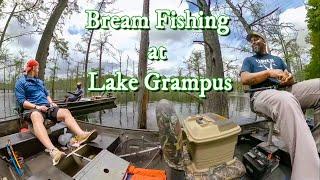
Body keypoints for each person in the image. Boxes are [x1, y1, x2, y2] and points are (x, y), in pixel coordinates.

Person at [240, 31, 320, 180]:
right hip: (261, 94)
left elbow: (290, 78)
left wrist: (288, 78)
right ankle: (308, 175)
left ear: (264, 40)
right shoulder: (249, 60)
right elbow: (244, 79)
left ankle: (314, 150)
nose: (253, 42)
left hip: (285, 90)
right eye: (251, 41)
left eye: (256, 38)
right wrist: (269, 73)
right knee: (285, 99)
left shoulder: (277, 59)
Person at [15, 59, 97, 166]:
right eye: (38, 68)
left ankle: (82, 135)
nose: (38, 70)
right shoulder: (20, 82)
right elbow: (23, 102)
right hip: (32, 109)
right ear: (34, 68)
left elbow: (47, 95)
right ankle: (53, 151)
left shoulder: (40, 82)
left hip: (47, 107)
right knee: (36, 115)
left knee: (65, 112)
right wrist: (37, 107)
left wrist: (52, 103)